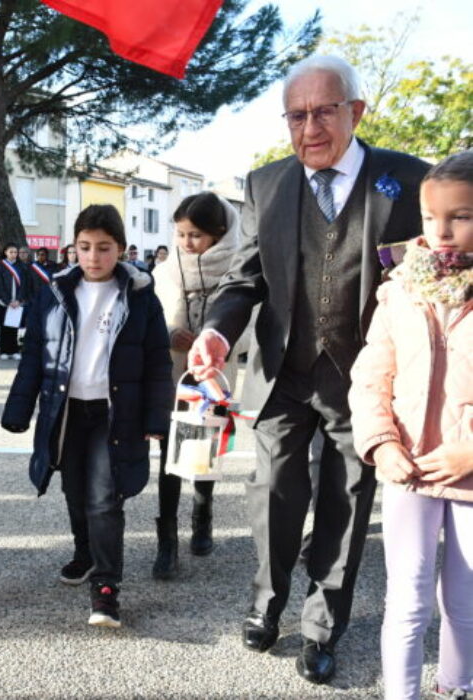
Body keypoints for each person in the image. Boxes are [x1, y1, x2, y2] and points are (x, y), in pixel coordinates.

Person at [187, 55, 429, 684]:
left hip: (366, 379)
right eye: (296, 115)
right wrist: (216, 332)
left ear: (356, 112)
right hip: (283, 373)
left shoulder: (406, 181)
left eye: (324, 111)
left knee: (347, 505)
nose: (310, 127)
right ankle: (265, 605)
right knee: (273, 494)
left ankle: (323, 627)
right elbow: (246, 280)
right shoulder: (265, 184)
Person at [1, 204, 173, 628]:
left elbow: (157, 363)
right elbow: (35, 356)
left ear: (120, 250)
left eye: (104, 248)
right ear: (72, 247)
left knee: (103, 498)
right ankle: (84, 553)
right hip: (66, 412)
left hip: (115, 415)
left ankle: (106, 588)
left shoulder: (140, 296)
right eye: (84, 247)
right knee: (74, 492)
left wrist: (156, 419)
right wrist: (19, 407)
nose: (93, 257)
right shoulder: (54, 292)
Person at [348, 151, 473, 700]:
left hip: (468, 472)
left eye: (461, 216)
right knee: (407, 599)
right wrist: (380, 443)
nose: (441, 231)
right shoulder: (400, 285)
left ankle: (456, 686)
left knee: (466, 603)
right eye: (429, 216)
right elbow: (371, 375)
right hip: (408, 467)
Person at [150, 192, 242, 579]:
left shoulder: (240, 269)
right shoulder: (167, 271)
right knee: (171, 455)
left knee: (205, 448)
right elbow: (152, 315)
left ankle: (202, 515)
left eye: (196, 236)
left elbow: (249, 323)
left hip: (214, 377)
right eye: (182, 234)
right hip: (172, 375)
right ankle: (166, 539)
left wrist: (217, 338)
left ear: (219, 235)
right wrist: (170, 332)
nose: (187, 243)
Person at [0, 243, 29, 359]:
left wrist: (18, 300)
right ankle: (4, 350)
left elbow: (24, 285)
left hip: (17, 302)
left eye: (15, 252)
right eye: (11, 252)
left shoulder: (21, 267)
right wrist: (8, 301)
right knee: (4, 327)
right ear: (5, 252)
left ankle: (14, 350)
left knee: (14, 327)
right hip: (4, 302)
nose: (13, 255)